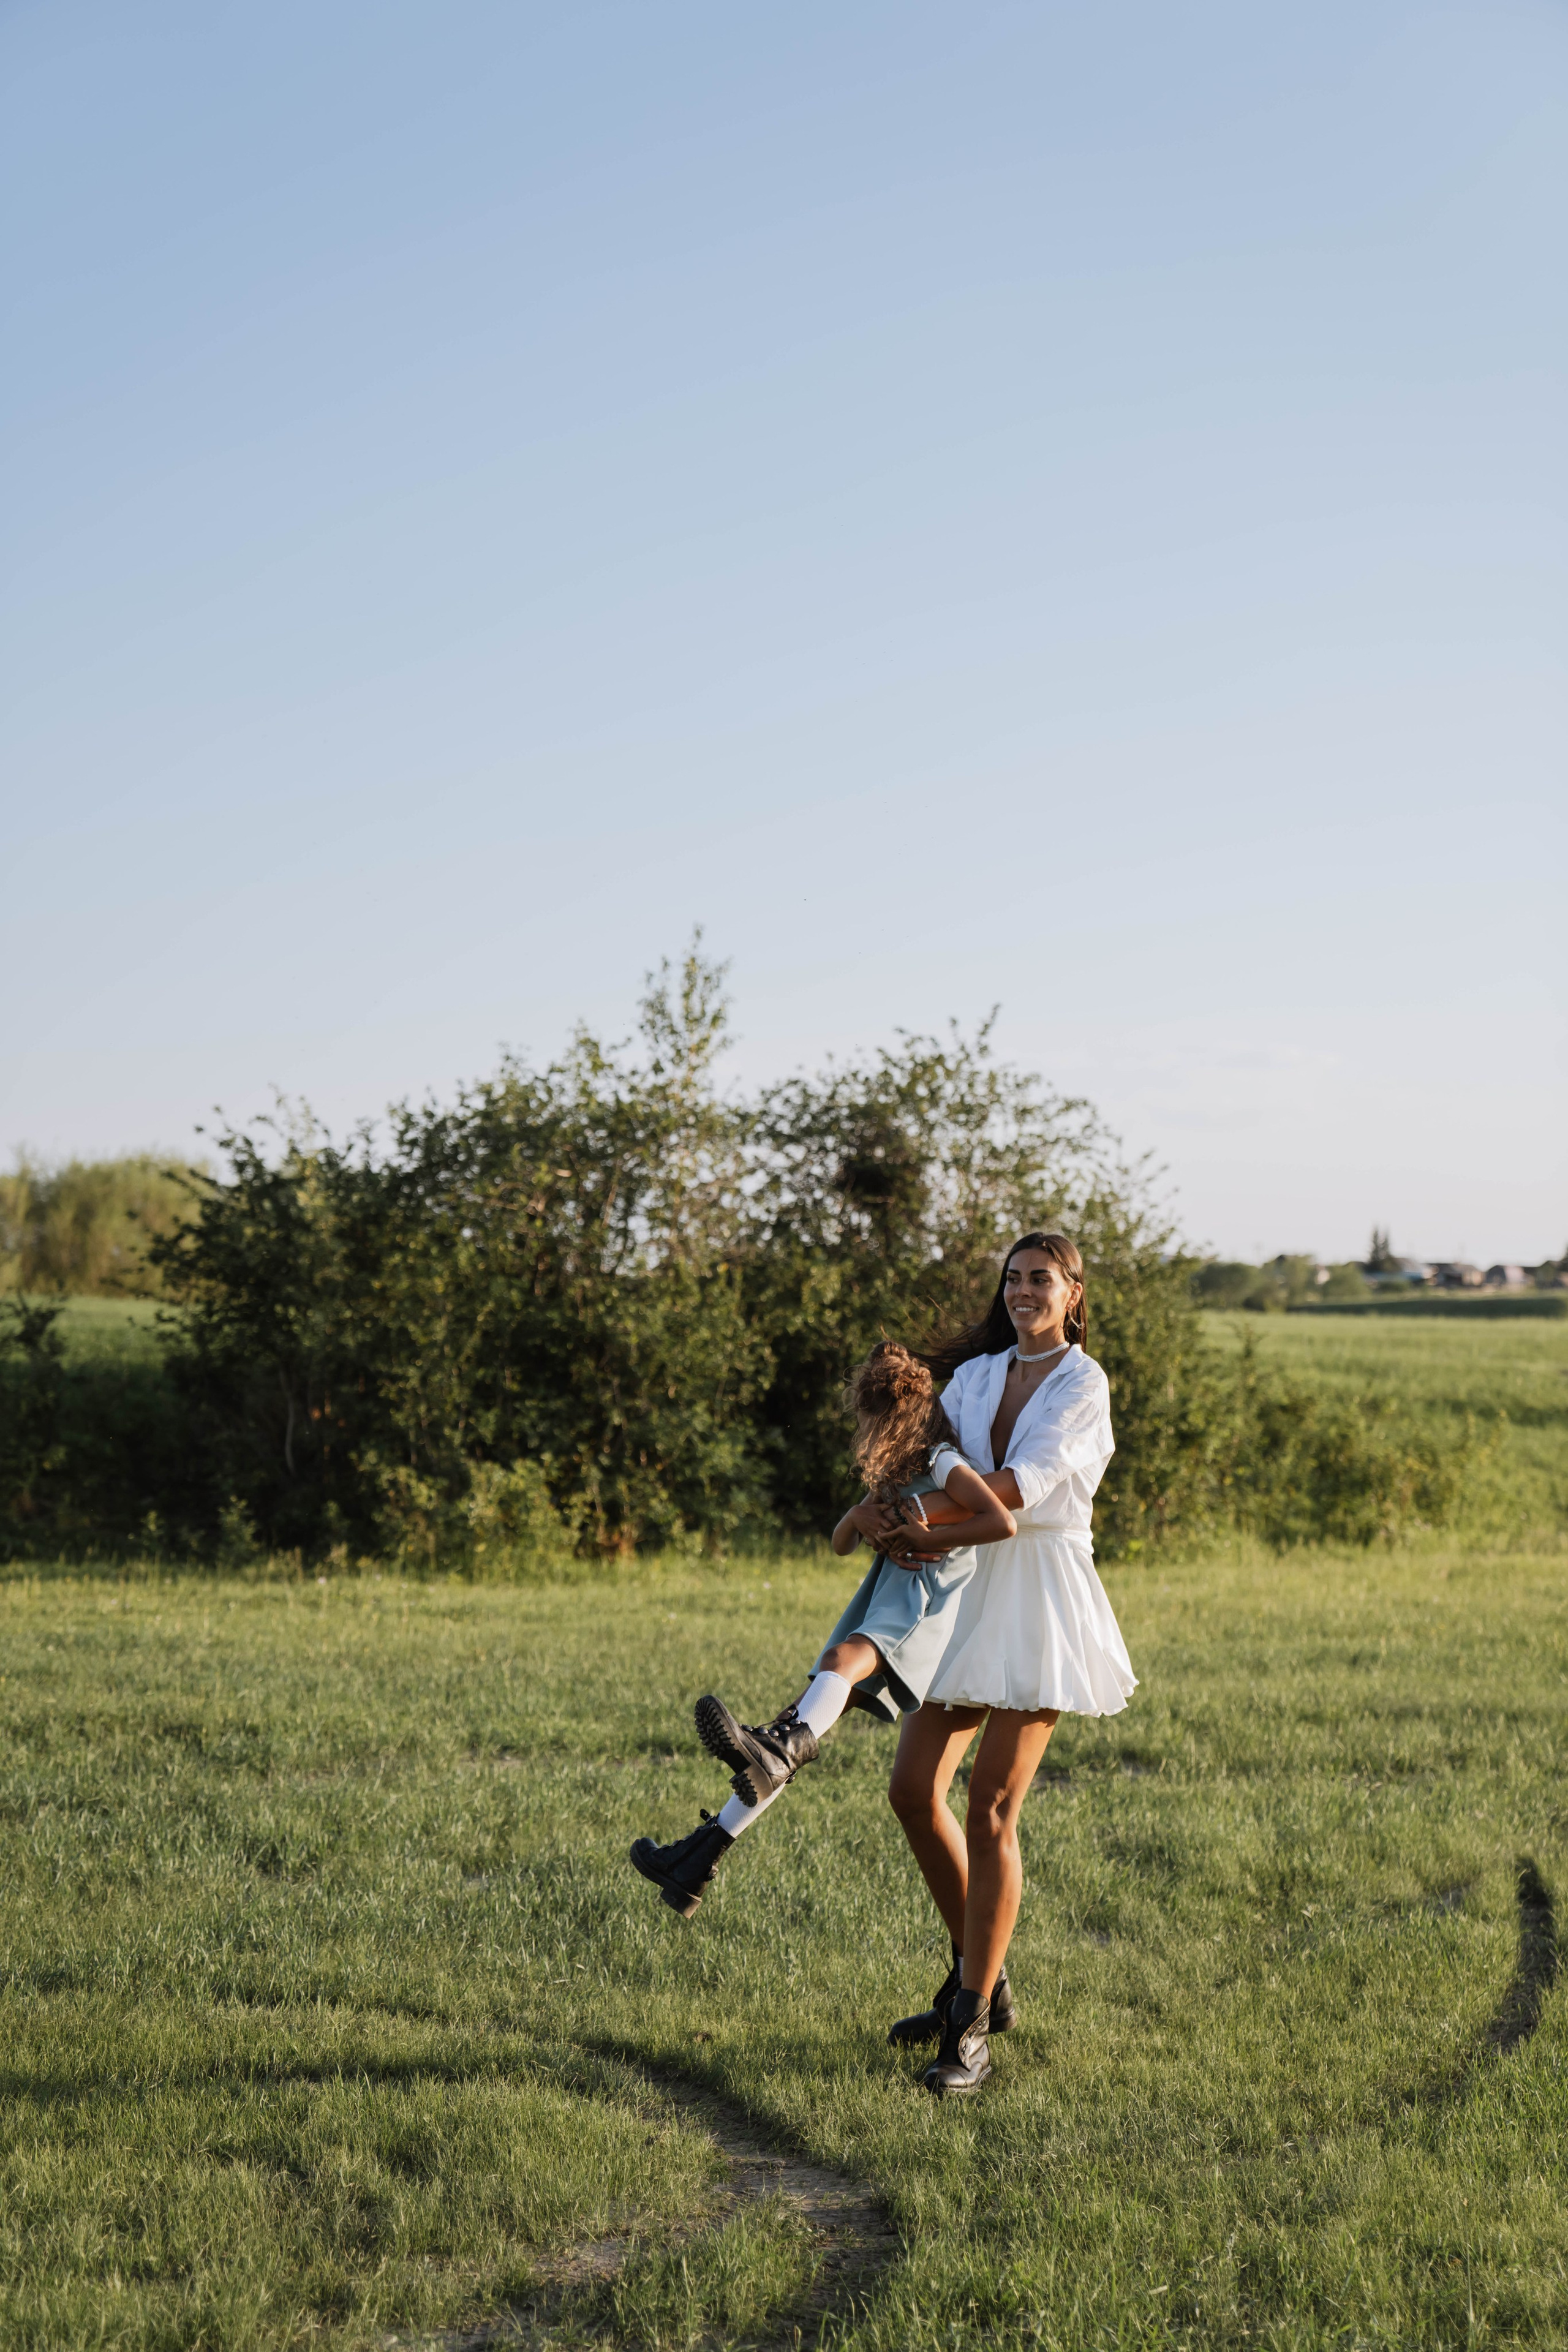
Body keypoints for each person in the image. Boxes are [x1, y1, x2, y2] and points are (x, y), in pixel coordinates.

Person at [871, 1231, 1135, 2095]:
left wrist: (928, 1524)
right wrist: (888, 1513)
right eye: (1014, 1280)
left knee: (990, 1811)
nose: (1023, 1292)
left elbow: (1021, 1488)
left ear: (1073, 1294)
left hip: (1039, 1594)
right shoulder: (976, 1377)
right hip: (966, 1585)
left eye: (1041, 1280)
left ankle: (970, 2025)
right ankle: (979, 1976)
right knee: (913, 1788)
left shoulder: (1081, 1384)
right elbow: (927, 1461)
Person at [627, 1340, 1016, 1925]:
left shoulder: (941, 1461)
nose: (874, 1433)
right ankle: (695, 1862)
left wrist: (926, 1539)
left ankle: (769, 1760)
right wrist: (855, 1518)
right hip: (883, 1595)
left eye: (884, 1421)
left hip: (921, 1600)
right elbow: (840, 1542)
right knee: (791, 1736)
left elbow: (1001, 1521)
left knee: (834, 1668)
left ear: (911, 1415)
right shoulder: (896, 1470)